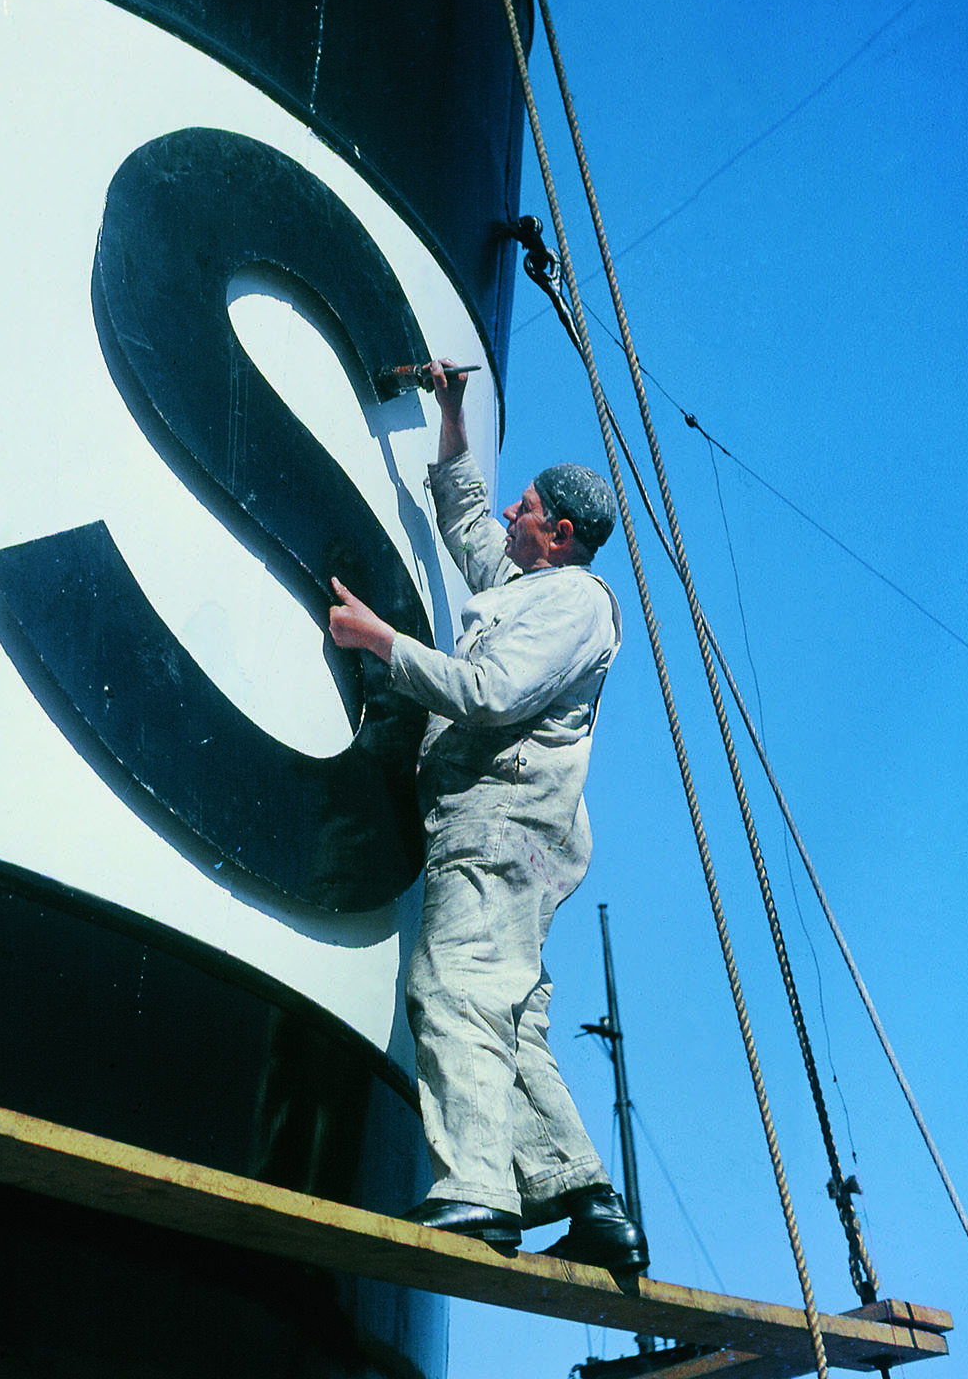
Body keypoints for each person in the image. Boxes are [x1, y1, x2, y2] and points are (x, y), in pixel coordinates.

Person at [328, 359, 647, 1271]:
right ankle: (583, 1196)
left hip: (504, 826)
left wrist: (386, 646)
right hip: (524, 833)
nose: (511, 515)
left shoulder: (576, 604)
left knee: (453, 982)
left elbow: (492, 690)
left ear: (563, 532)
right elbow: (466, 513)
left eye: (528, 508)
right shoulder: (527, 583)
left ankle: (477, 1194)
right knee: (508, 1011)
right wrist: (452, 407)